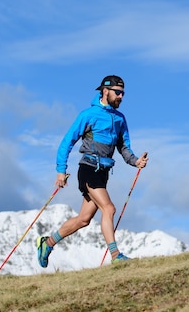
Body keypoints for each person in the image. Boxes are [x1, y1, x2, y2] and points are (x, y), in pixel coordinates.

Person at [36, 75, 148, 268]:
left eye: (123, 93)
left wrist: (136, 161)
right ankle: (115, 255)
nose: (121, 96)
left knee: (83, 219)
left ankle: (47, 244)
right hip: (88, 169)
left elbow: (123, 147)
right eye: (117, 92)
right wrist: (60, 171)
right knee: (109, 208)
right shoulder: (88, 115)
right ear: (105, 91)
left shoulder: (120, 119)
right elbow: (66, 142)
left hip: (103, 172)